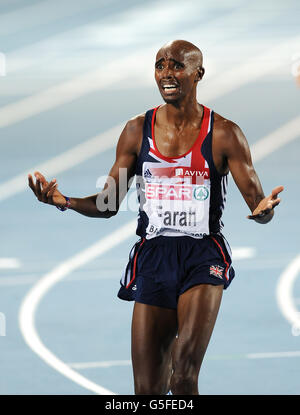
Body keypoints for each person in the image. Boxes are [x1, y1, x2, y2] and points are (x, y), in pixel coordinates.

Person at [28, 40, 283, 395]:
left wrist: (264, 213)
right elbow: (109, 204)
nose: (167, 73)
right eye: (160, 65)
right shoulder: (137, 130)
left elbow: (258, 204)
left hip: (202, 255)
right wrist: (63, 200)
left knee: (183, 373)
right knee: (146, 390)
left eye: (177, 66)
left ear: (198, 74)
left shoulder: (224, 133)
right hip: (153, 256)